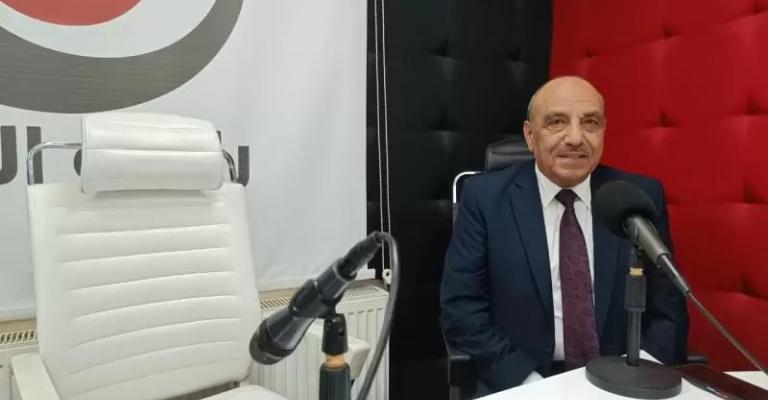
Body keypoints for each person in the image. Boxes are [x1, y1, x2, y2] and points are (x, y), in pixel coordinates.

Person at [440, 76, 689, 397]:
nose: (575, 138)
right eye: (557, 122)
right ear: (530, 135)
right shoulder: (485, 199)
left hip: (621, 380)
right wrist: (530, 384)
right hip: (522, 379)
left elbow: (668, 310)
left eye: (590, 123)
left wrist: (641, 373)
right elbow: (461, 308)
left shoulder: (637, 196)